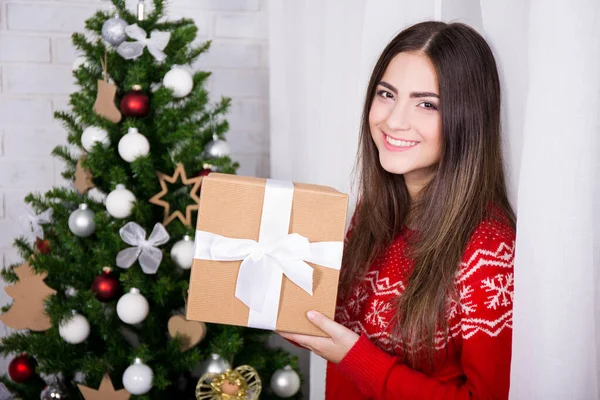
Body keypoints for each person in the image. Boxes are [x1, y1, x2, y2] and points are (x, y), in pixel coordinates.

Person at [279, 21, 516, 399]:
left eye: (426, 104)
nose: (393, 120)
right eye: (387, 94)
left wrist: (354, 357)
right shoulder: (373, 212)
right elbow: (342, 334)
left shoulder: (488, 248)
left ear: (467, 118)